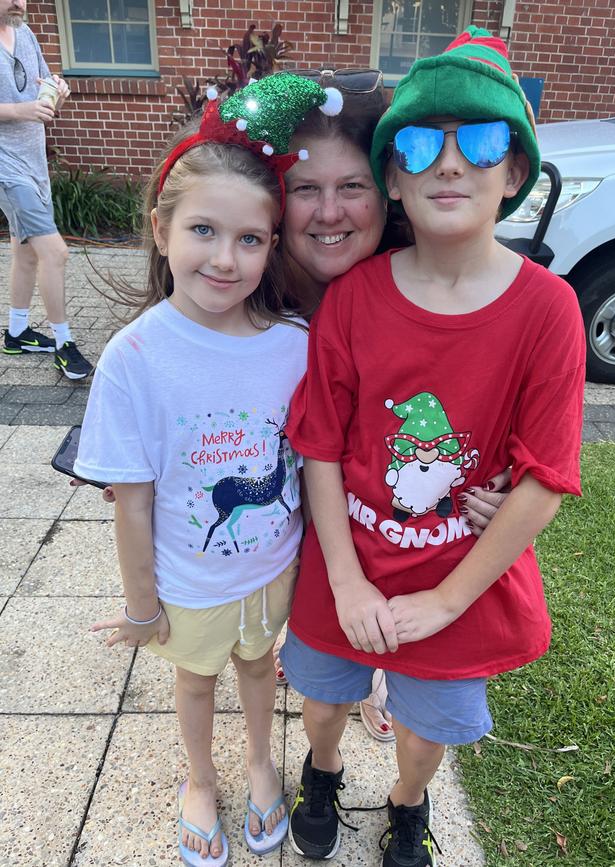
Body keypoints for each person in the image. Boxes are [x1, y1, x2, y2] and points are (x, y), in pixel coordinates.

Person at [72, 70, 513, 746]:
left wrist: (500, 477)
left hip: (394, 526)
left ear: (387, 192)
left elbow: (472, 392)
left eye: (352, 187)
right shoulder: (247, 296)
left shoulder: (415, 285)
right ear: (276, 214)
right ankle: (314, 632)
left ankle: (378, 664)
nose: (329, 212)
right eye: (307, 190)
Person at [281, 26, 586, 867]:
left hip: (459, 577)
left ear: (515, 169)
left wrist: (446, 602)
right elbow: (320, 442)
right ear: (394, 175)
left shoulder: (548, 311)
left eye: (481, 141)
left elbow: (546, 477)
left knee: (425, 734)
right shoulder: (355, 300)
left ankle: (408, 804)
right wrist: (343, 581)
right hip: (351, 559)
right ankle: (323, 768)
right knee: (320, 698)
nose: (450, 163)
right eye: (421, 143)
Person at [75, 74, 345, 866]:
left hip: (271, 572)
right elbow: (132, 499)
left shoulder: (294, 344)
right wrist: (139, 604)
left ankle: (261, 760)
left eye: (251, 239)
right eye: (203, 230)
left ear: (273, 244)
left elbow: (316, 457)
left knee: (259, 666)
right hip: (185, 581)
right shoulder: (135, 358)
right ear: (161, 230)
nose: (225, 259)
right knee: (195, 681)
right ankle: (201, 778)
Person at [0, 0, 92, 378]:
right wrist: (21, 111)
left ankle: (17, 332)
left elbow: (44, 82)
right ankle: (63, 343)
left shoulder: (25, 33)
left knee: (27, 252)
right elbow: (22, 108)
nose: (20, 2)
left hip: (34, 162)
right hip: (7, 167)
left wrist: (58, 88)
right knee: (55, 252)